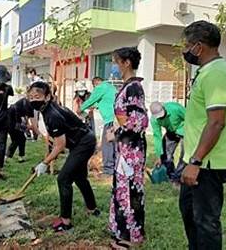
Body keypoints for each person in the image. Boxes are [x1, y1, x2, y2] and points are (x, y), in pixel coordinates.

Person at [179, 20, 226, 250]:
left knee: (205, 221)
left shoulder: (216, 74)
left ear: (199, 47)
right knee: (189, 213)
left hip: (207, 163)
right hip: (198, 160)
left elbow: (216, 123)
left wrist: (195, 161)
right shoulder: (207, 72)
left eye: (187, 45)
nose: (185, 50)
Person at [30, 81, 100, 233]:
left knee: (63, 179)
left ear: (47, 97)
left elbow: (60, 146)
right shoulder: (47, 108)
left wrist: (45, 162)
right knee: (80, 178)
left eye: (37, 96)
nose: (33, 100)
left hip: (84, 142)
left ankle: (65, 222)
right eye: (31, 97)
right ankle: (92, 209)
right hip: (79, 141)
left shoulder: (52, 114)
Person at [107, 47, 149, 248]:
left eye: (116, 62)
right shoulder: (126, 87)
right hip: (124, 148)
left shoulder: (133, 87)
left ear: (126, 63)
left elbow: (138, 121)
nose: (113, 67)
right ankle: (123, 231)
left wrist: (116, 132)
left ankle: (130, 237)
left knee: (129, 192)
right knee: (122, 190)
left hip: (130, 150)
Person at [80, 76, 117, 176]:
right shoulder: (110, 88)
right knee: (114, 144)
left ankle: (108, 170)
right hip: (116, 118)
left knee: (107, 144)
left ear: (96, 83)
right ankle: (115, 167)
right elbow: (100, 102)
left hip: (110, 120)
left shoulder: (101, 87)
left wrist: (80, 109)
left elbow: (91, 100)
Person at [149, 101, 186, 184]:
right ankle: (169, 175)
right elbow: (157, 137)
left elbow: (189, 118)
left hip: (184, 130)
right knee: (166, 156)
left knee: (184, 156)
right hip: (171, 131)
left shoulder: (175, 108)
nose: (161, 117)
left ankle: (177, 178)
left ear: (164, 107)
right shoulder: (154, 120)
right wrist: (159, 156)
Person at [6, 97, 39, 163]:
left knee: (18, 139)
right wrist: (37, 132)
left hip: (12, 117)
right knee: (19, 138)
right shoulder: (30, 106)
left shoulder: (26, 101)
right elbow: (32, 122)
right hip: (12, 119)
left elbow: (27, 119)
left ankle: (9, 156)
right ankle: (14, 157)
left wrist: (29, 127)